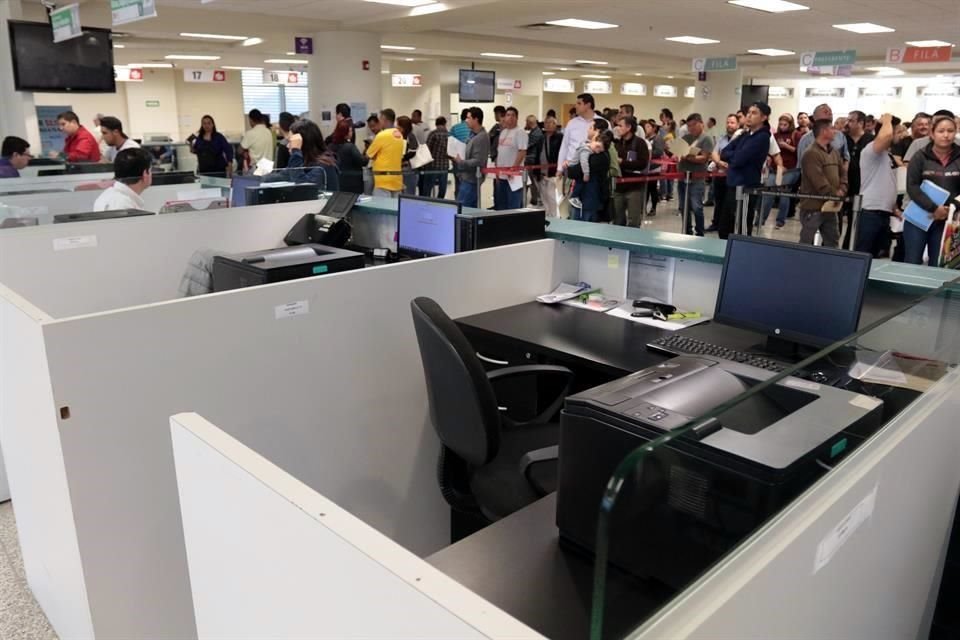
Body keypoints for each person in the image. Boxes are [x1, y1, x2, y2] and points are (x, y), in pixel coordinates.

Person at [904, 115, 960, 265]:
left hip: (948, 220)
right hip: (919, 218)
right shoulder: (920, 156)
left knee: (940, 265)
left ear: (956, 132)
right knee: (912, 262)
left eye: (950, 131)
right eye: (941, 131)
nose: (946, 135)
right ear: (932, 133)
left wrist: (951, 208)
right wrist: (934, 208)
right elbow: (912, 186)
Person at [718, 102, 772, 239]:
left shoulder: (762, 137)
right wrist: (735, 154)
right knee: (725, 227)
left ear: (764, 117)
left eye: (754, 113)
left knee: (741, 227)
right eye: (748, 112)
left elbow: (738, 160)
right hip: (733, 183)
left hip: (746, 186)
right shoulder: (745, 134)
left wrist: (734, 155)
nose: (749, 116)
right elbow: (724, 152)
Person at [856, 114, 901, 256]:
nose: (901, 134)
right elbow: (885, 136)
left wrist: (894, 207)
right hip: (870, 212)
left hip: (884, 213)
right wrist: (887, 120)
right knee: (863, 254)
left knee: (877, 256)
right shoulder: (871, 150)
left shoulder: (887, 155)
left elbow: (887, 182)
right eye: (897, 131)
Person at [798, 120, 846, 248]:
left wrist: (843, 187)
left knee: (833, 240)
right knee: (807, 241)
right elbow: (818, 180)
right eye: (832, 128)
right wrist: (834, 193)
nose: (835, 131)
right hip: (813, 207)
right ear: (824, 131)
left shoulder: (834, 152)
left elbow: (843, 172)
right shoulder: (811, 153)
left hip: (831, 206)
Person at [264, 119, 339, 191]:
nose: (287, 146)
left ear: (304, 143)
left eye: (291, 142)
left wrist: (296, 151)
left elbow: (301, 188)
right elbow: (280, 176)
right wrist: (258, 179)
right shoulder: (303, 162)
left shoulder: (324, 166)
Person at [559, 93, 602, 217]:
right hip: (572, 169)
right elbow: (565, 146)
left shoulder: (601, 123)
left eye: (579, 103)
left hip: (592, 172)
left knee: (588, 206)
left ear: (588, 105)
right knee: (569, 206)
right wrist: (559, 168)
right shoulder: (572, 123)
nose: (575, 106)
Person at [758, 113, 799, 229]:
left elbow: (799, 152)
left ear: (790, 124)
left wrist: (786, 146)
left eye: (785, 124)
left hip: (789, 169)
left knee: (784, 194)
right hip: (774, 169)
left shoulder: (796, 135)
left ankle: (780, 221)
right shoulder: (775, 135)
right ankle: (761, 219)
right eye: (780, 124)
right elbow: (770, 151)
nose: (782, 126)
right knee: (769, 194)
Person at [676, 113, 713, 236]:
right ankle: (687, 231)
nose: (691, 128)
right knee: (683, 207)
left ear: (700, 123)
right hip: (683, 176)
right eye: (689, 126)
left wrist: (689, 157)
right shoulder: (686, 138)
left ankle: (699, 232)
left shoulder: (706, 138)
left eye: (693, 125)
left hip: (697, 178)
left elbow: (704, 158)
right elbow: (678, 152)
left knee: (697, 207)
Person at [613, 115, 650, 227]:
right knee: (618, 219)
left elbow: (643, 164)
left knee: (633, 220)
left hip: (635, 187)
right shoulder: (617, 144)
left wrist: (622, 162)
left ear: (629, 127)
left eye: (620, 125)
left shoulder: (640, 143)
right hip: (618, 186)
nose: (617, 128)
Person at [707, 114, 740, 233]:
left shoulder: (740, 139)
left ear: (737, 124)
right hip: (720, 174)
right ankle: (716, 223)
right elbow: (715, 152)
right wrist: (719, 162)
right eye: (728, 122)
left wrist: (728, 164)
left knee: (729, 203)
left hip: (732, 176)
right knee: (719, 200)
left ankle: (726, 227)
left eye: (732, 122)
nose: (729, 125)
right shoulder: (722, 138)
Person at [451, 107, 490, 208]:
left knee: (461, 209)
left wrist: (461, 162)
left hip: (471, 180)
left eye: (468, 118)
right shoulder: (472, 135)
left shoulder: (481, 137)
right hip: (466, 177)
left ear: (476, 119)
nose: (466, 121)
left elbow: (478, 161)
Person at [493, 106, 528, 210]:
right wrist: (497, 170)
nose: (510, 117)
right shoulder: (503, 132)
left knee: (514, 205)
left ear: (517, 118)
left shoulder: (520, 132)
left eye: (513, 115)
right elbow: (500, 152)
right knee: (502, 204)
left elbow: (522, 151)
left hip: (514, 176)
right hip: (502, 175)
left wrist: (514, 168)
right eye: (508, 115)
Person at [366, 109, 405, 197]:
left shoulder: (382, 135)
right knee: (395, 208)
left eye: (380, 119)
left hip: (383, 180)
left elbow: (368, 155)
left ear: (384, 119)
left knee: (382, 209)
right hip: (397, 179)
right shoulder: (399, 135)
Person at [328, 119, 365, 194]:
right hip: (353, 183)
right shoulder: (350, 147)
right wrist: (368, 152)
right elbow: (363, 162)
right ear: (345, 133)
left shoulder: (330, 147)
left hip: (338, 181)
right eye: (350, 131)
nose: (352, 133)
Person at [537, 116, 563, 218]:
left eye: (551, 122)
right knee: (544, 197)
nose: (548, 124)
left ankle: (555, 217)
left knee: (553, 197)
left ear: (555, 124)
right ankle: (547, 216)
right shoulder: (541, 138)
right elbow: (538, 153)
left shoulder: (560, 137)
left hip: (554, 172)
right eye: (546, 122)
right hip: (541, 171)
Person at [422, 116, 450, 198]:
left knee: (428, 187)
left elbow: (427, 149)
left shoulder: (433, 134)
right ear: (445, 124)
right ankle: (440, 202)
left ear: (436, 124)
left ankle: (425, 203)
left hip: (433, 165)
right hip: (444, 166)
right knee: (442, 187)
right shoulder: (449, 135)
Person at [643, 119, 665, 215]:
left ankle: (653, 208)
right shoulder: (646, 139)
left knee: (652, 188)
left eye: (648, 127)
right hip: (646, 167)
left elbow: (659, 151)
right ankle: (644, 207)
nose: (646, 129)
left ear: (654, 128)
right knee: (646, 188)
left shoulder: (658, 138)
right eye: (645, 127)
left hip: (654, 167)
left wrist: (649, 153)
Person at [396, 115, 420, 195]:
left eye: (398, 125)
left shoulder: (410, 136)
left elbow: (413, 152)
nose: (396, 127)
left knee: (408, 193)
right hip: (401, 168)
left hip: (408, 169)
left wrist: (402, 158)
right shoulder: (399, 136)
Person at [524, 114, 544, 206]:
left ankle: (534, 200)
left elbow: (526, 145)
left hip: (531, 160)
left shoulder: (536, 133)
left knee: (531, 180)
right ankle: (534, 199)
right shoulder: (534, 132)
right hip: (532, 159)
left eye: (526, 122)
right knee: (530, 180)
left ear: (530, 122)